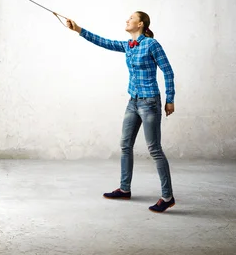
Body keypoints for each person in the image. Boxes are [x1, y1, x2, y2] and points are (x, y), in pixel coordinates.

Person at [64, 11, 176, 213]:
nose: (127, 20)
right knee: (125, 145)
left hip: (150, 102)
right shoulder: (128, 45)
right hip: (133, 101)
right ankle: (125, 189)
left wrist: (170, 99)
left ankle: (167, 196)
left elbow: (168, 71)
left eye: (131, 18)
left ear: (140, 23)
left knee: (154, 149)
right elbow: (103, 42)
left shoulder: (152, 44)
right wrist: (78, 29)